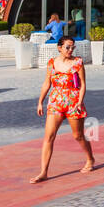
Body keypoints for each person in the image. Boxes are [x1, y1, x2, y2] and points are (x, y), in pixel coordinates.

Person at [30, 36, 94, 183]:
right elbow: (47, 83)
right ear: (59, 47)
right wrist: (40, 102)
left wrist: (79, 101)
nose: (70, 50)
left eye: (72, 47)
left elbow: (83, 84)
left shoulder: (77, 63)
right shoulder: (52, 63)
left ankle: (90, 159)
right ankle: (43, 172)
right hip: (55, 102)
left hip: (73, 103)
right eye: (67, 47)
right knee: (49, 137)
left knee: (78, 136)